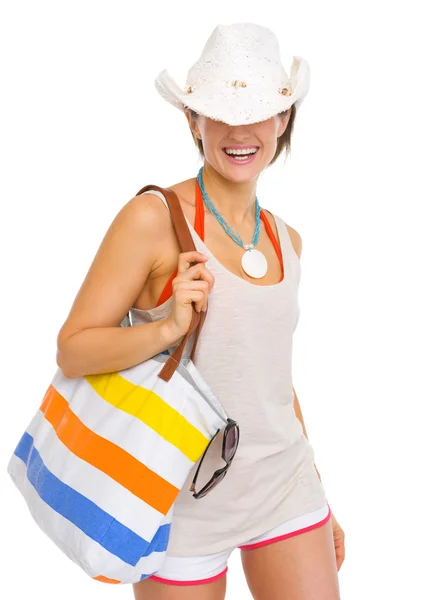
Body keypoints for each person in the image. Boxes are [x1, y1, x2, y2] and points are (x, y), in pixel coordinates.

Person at [56, 22, 344, 600]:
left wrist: (318, 489)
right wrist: (167, 327)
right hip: (181, 502)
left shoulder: (288, 239)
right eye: (220, 111)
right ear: (194, 121)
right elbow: (73, 348)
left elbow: (274, 382)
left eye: (259, 110)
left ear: (282, 120)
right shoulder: (152, 219)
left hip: (286, 488)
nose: (240, 130)